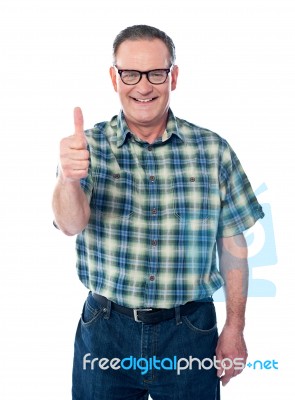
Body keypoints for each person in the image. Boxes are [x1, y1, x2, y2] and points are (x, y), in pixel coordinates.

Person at [52, 24, 264, 400]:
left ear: (174, 76)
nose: (144, 86)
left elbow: (233, 245)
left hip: (189, 331)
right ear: (114, 77)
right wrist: (69, 179)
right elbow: (70, 224)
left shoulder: (213, 151)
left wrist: (235, 327)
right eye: (131, 73)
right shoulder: (87, 148)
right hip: (105, 332)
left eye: (156, 73)